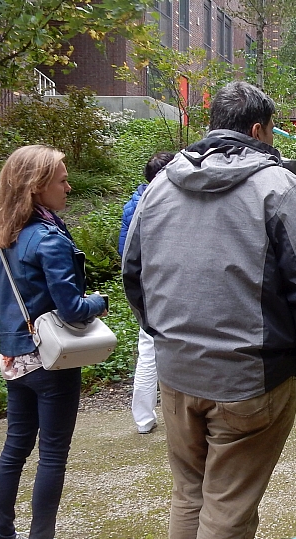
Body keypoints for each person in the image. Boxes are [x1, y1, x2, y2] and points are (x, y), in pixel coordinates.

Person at [122, 81, 296, 539]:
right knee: (228, 504)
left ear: (213, 122)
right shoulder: (279, 187)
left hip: (177, 372)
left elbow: (133, 275)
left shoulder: (160, 185)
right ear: (261, 130)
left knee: (190, 492)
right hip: (251, 378)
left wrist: (165, 338)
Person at [0, 145, 108, 539]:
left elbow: (2, 303)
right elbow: (72, 308)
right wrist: (101, 301)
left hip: (14, 356)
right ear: (37, 187)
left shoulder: (3, 238)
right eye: (61, 179)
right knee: (52, 454)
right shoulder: (49, 237)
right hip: (51, 363)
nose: (68, 186)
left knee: (14, 449)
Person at [118, 151, 175, 433]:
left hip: (145, 286)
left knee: (148, 351)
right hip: (163, 285)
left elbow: (125, 252)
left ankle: (143, 418)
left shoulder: (133, 204)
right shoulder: (162, 202)